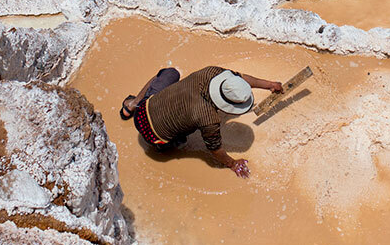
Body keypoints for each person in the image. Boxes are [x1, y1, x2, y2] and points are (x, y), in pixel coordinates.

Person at [120, 66, 283, 178]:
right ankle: (162, 147)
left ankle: (132, 104)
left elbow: (239, 78)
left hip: (145, 108)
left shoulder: (211, 72)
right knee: (181, 141)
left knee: (170, 73)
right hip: (152, 135)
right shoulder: (209, 120)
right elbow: (215, 150)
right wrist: (232, 164)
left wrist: (269, 85)